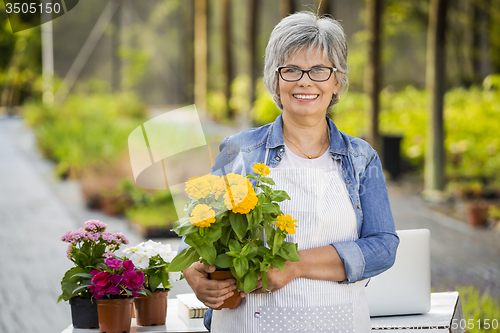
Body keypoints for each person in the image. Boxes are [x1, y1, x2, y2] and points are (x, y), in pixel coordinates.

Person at [179, 11, 399, 332]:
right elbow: (204, 234)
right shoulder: (239, 150)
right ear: (276, 80)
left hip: (338, 322)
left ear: (337, 81)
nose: (305, 81)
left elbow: (383, 246)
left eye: (320, 70)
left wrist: (293, 265)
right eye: (292, 69)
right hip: (249, 323)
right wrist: (196, 275)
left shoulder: (361, 157)